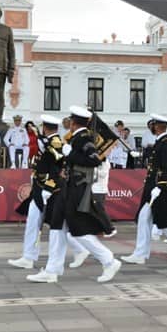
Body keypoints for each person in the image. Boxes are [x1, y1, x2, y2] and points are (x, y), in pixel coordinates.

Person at [9, 115, 89, 281]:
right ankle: (29, 257)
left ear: (46, 127)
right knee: (34, 221)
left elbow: (57, 167)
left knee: (57, 227)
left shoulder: (56, 143)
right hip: (39, 187)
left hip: (49, 189)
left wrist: (49, 187)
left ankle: (83, 249)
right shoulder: (47, 141)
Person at [123, 114, 167, 265]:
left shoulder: (166, 143)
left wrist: (160, 186)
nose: (151, 127)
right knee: (144, 218)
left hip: (159, 188)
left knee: (165, 221)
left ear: (157, 126)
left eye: (153, 124)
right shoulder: (160, 142)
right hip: (153, 187)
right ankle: (140, 253)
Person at [62, 106, 122, 283]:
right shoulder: (77, 137)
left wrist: (70, 154)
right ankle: (55, 266)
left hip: (79, 187)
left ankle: (108, 260)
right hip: (73, 185)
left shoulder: (83, 138)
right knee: (68, 227)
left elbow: (94, 160)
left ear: (73, 123)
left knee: (78, 229)